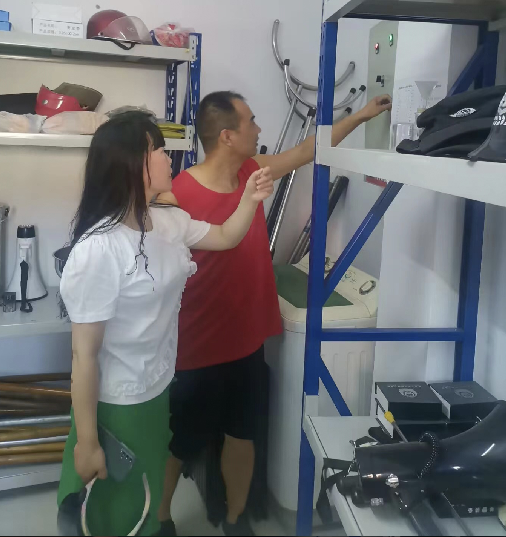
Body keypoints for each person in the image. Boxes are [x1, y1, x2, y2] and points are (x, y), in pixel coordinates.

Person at [156, 92, 392, 536]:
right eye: (250, 121)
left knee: (242, 435)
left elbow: (307, 150)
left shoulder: (252, 171)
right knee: (180, 442)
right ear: (227, 136)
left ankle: (235, 519)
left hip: (246, 341)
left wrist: (362, 115)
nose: (258, 128)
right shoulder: (179, 194)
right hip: (196, 346)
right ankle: (161, 518)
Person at [56, 111, 274, 536]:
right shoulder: (98, 249)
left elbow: (226, 236)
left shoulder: (168, 223)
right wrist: (87, 441)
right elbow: (84, 355)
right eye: (157, 149)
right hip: (117, 404)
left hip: (158, 390)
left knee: (145, 501)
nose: (168, 156)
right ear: (132, 163)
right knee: (112, 515)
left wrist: (249, 198)